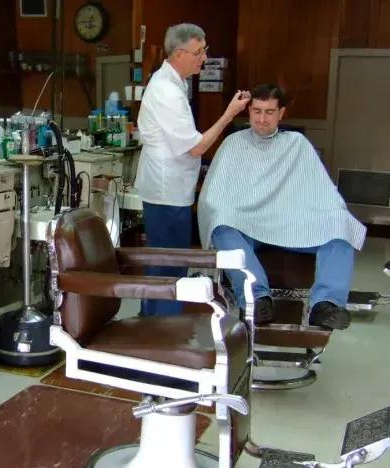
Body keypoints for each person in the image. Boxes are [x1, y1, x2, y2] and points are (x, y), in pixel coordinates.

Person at [198, 84, 366, 330]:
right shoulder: (233, 143)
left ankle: (326, 304)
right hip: (247, 222)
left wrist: (325, 213)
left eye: (269, 112)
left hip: (290, 221)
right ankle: (257, 299)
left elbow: (323, 193)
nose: (262, 119)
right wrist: (230, 211)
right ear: (249, 111)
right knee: (221, 223)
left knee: (340, 224)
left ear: (281, 113)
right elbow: (214, 197)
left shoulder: (297, 144)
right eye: (257, 111)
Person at [134, 23, 250, 316]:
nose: (204, 58)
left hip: (173, 187)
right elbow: (195, 147)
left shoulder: (175, 82)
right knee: (168, 263)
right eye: (198, 52)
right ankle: (160, 325)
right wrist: (229, 114)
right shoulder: (166, 91)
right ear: (178, 53)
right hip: (166, 191)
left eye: (204, 51)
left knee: (171, 261)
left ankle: (158, 321)